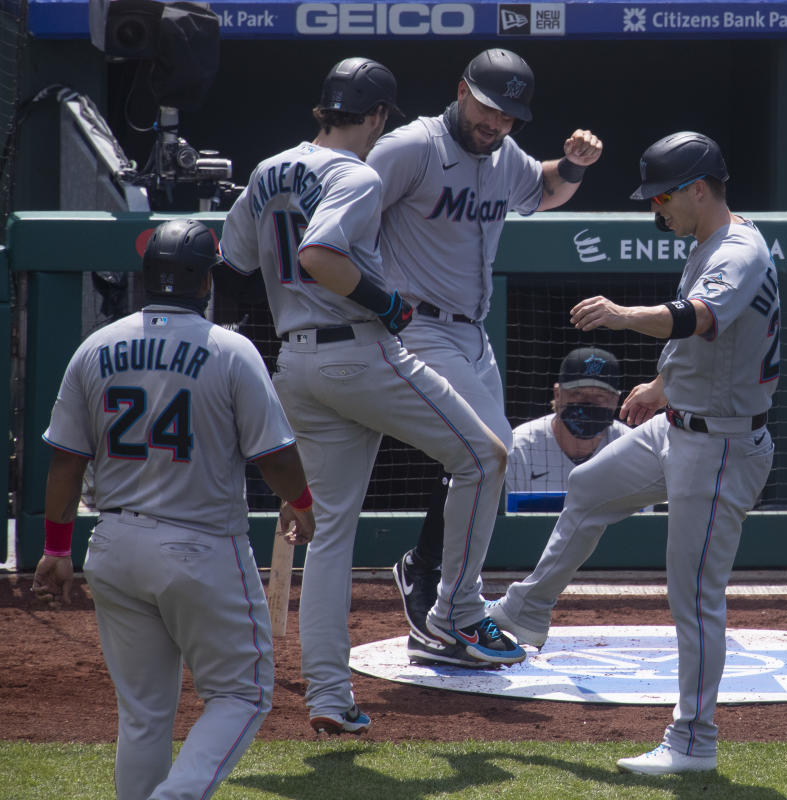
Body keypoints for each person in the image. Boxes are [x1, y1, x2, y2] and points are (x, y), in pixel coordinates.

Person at [219, 57, 522, 730]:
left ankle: (330, 698)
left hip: (295, 361)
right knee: (484, 457)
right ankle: (457, 612)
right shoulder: (355, 173)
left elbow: (231, 263)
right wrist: (389, 304)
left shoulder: (268, 168)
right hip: (360, 354)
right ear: (379, 115)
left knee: (327, 536)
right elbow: (319, 256)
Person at [487, 132, 780, 775]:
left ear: (698, 188)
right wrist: (660, 385)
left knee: (695, 597)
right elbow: (713, 343)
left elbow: (697, 318)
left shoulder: (736, 250)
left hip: (722, 445)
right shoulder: (714, 237)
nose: (656, 210)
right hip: (681, 424)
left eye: (663, 196)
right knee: (589, 487)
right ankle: (526, 611)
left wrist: (620, 315)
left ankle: (693, 743)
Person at [29, 218, 316, 800]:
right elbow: (276, 454)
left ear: (147, 277)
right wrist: (302, 501)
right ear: (205, 283)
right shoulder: (231, 351)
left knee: (143, 714)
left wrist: (56, 548)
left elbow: (65, 461)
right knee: (242, 694)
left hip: (112, 547)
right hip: (200, 546)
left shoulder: (96, 346)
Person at [365, 48, 603, 665]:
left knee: (478, 462)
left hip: (471, 332)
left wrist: (572, 167)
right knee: (486, 455)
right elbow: (343, 217)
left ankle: (425, 569)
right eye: (489, 108)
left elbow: (541, 191)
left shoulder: (503, 157)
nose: (496, 124)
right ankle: (455, 612)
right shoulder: (409, 148)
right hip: (415, 325)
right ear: (462, 89)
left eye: (509, 117)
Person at [506, 346, 630, 495]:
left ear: (615, 400)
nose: (588, 403)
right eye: (577, 394)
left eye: (599, 396)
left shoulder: (630, 447)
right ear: (558, 394)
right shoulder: (518, 448)